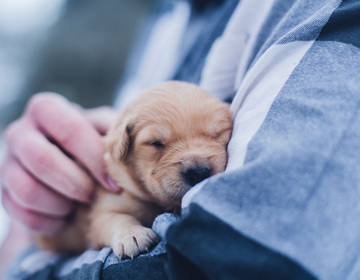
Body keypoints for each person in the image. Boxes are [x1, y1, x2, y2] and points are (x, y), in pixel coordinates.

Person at [1, 0, 360, 279]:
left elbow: (223, 263)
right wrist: (29, 198)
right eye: (158, 144)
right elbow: (93, 223)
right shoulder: (165, 17)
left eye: (218, 135)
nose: (196, 162)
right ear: (120, 149)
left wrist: (24, 268)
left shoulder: (329, 12)